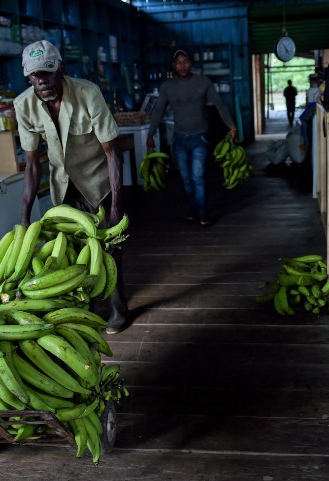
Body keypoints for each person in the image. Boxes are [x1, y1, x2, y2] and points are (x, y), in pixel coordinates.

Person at [14, 40, 131, 334]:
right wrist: (25, 217)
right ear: (28, 77)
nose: (42, 81)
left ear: (61, 69)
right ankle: (87, 309)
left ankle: (119, 307)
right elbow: (32, 165)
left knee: (108, 248)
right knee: (72, 250)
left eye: (47, 73)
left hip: (96, 180)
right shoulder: (23, 106)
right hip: (62, 187)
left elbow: (112, 153)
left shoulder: (87, 93)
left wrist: (117, 207)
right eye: (35, 76)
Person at [146, 48, 237, 226]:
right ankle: (192, 208)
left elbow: (220, 104)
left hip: (199, 138)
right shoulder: (167, 86)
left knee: (197, 177)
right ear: (173, 65)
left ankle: (202, 213)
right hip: (179, 139)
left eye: (185, 61)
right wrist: (150, 134)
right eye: (178, 62)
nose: (182, 65)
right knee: (186, 178)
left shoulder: (203, 82)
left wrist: (232, 126)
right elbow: (158, 111)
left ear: (191, 63)